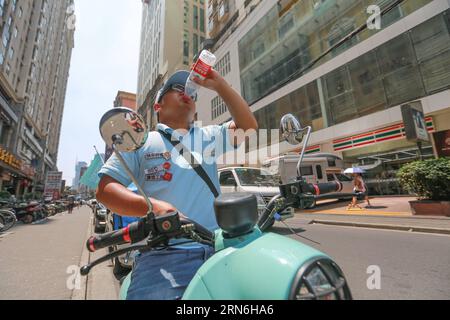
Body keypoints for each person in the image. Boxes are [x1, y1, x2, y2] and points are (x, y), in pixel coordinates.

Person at [96, 69, 258, 300]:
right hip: (162, 256)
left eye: (191, 91)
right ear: (158, 106)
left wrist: (220, 85)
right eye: (177, 88)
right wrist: (153, 207)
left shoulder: (209, 135)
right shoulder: (140, 141)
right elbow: (105, 190)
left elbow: (248, 127)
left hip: (219, 251)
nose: (186, 93)